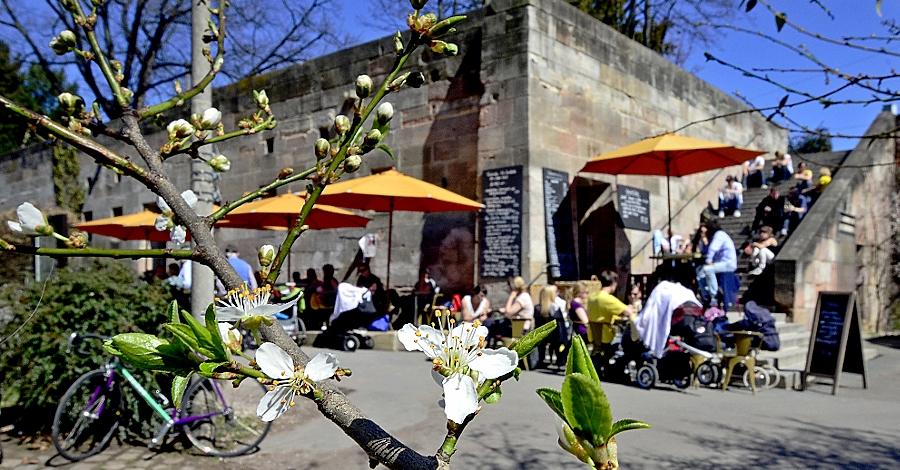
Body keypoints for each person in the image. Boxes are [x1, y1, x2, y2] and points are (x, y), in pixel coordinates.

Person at [586, 270, 634, 346]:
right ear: (614, 283)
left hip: (592, 336)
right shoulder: (607, 299)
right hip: (605, 337)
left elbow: (601, 313)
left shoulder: (592, 297)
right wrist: (631, 304)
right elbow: (628, 312)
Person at [695, 218, 737, 304]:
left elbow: (712, 249)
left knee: (707, 269)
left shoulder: (720, 234)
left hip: (728, 264)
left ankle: (714, 295)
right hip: (721, 263)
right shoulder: (715, 236)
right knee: (699, 273)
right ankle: (706, 294)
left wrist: (709, 260)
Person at [535, 284, 570, 367]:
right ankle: (560, 360)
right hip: (555, 335)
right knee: (562, 342)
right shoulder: (555, 308)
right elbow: (560, 324)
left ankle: (541, 359)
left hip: (543, 335)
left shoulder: (537, 308)